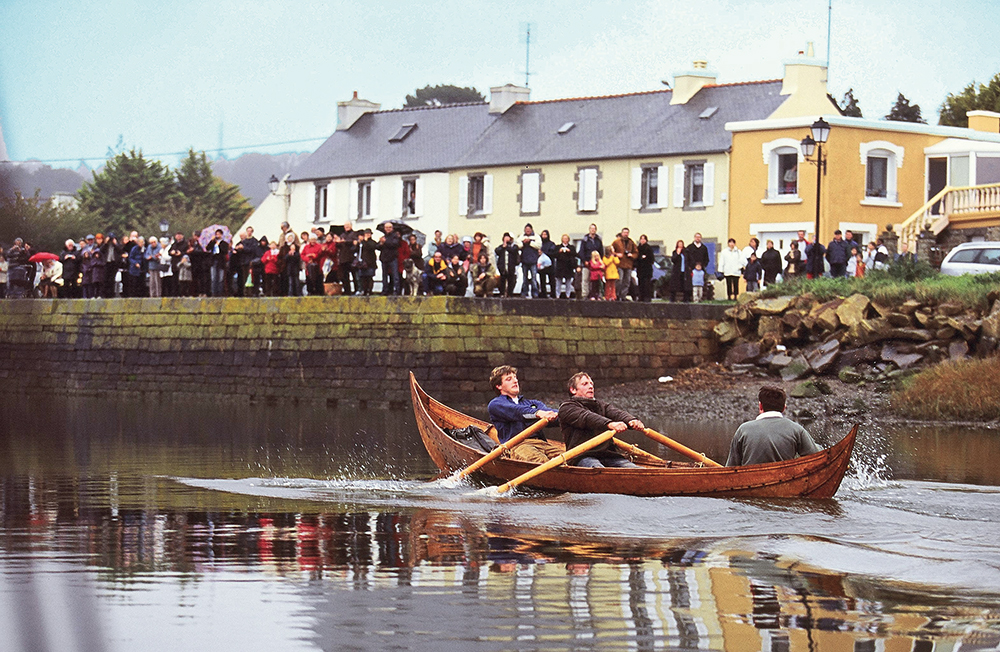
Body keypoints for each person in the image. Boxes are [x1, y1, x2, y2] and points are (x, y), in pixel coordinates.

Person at [558, 372, 642, 468]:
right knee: (598, 469)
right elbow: (587, 417)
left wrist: (631, 420)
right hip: (582, 456)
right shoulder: (567, 407)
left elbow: (616, 413)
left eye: (591, 384)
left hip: (609, 455)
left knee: (635, 469)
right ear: (573, 390)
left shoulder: (601, 405)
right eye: (585, 384)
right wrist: (609, 424)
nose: (590, 387)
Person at [726, 385, 821, 466]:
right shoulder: (796, 429)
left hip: (751, 484)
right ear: (783, 408)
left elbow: (731, 467)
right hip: (785, 482)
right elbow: (816, 456)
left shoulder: (743, 429)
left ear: (760, 406)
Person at [487, 366, 562, 463]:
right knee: (541, 461)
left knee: (571, 460)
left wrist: (567, 415)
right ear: (499, 386)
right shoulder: (496, 405)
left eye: (515, 377)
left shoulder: (533, 404)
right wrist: (537, 413)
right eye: (509, 379)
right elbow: (517, 411)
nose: (515, 381)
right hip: (517, 446)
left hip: (542, 444)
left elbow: (549, 412)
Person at [577, 224, 603, 300]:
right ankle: (585, 295)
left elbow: (601, 252)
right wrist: (584, 260)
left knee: (596, 281)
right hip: (587, 262)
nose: (593, 230)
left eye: (594, 229)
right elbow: (581, 251)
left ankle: (596, 295)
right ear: (589, 229)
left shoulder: (598, 240)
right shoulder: (585, 240)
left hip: (596, 264)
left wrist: (600, 262)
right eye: (591, 228)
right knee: (585, 279)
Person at [612, 228, 638, 301]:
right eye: (624, 232)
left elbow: (636, 253)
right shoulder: (616, 242)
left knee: (627, 281)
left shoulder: (631, 242)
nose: (626, 234)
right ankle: (616, 295)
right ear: (622, 233)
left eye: (627, 232)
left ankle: (623, 296)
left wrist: (631, 255)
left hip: (628, 264)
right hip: (619, 264)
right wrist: (617, 254)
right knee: (619, 280)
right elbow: (610, 251)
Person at [377, 222, 402, 295]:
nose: (388, 229)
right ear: (384, 228)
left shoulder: (395, 236)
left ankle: (396, 290)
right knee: (384, 276)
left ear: (392, 228)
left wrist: (385, 242)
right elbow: (377, 247)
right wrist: (381, 243)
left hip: (392, 258)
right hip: (384, 258)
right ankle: (385, 290)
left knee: (395, 276)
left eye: (389, 227)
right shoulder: (383, 237)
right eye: (386, 227)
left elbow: (395, 244)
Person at [685, 233, 710, 301]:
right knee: (692, 285)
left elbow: (706, 259)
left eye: (699, 237)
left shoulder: (704, 248)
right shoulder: (689, 247)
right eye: (696, 237)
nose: (698, 238)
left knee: (701, 286)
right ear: (694, 238)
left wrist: (703, 266)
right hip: (692, 269)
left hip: (701, 270)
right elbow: (687, 258)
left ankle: (701, 298)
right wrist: (690, 266)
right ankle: (691, 298)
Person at [495, 233, 519, 298]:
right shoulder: (501, 247)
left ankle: (510, 294)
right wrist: (503, 246)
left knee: (511, 280)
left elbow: (514, 251)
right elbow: (497, 251)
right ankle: (502, 293)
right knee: (502, 280)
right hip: (503, 267)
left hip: (511, 267)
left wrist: (507, 246)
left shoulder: (514, 246)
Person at [519, 224, 540, 298]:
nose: (527, 230)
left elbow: (539, 245)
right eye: (526, 229)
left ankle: (535, 293)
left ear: (531, 229)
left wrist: (530, 242)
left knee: (534, 278)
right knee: (524, 278)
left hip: (533, 260)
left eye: (529, 229)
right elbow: (518, 245)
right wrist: (523, 242)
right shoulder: (521, 236)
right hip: (524, 260)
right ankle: (524, 292)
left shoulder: (536, 236)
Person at [554, 234, 577, 299]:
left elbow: (575, 254)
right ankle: (557, 295)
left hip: (568, 267)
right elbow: (554, 255)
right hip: (560, 267)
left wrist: (569, 251)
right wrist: (559, 251)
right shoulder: (558, 247)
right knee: (559, 282)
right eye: (564, 238)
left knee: (568, 282)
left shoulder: (571, 247)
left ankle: (568, 295)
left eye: (566, 238)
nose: (565, 240)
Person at [635, 234, 655, 302]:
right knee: (641, 283)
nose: (642, 241)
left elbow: (651, 259)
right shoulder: (637, 248)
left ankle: (647, 297)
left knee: (647, 284)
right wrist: (641, 258)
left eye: (644, 239)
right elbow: (636, 258)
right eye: (641, 239)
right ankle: (641, 297)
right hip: (640, 269)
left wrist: (645, 258)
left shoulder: (648, 248)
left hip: (647, 269)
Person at [538, 230, 557, 298]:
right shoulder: (540, 244)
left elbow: (553, 252)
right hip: (542, 265)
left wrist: (544, 253)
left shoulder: (551, 244)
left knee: (552, 280)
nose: (544, 236)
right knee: (542, 279)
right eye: (543, 234)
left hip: (550, 265)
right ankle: (543, 293)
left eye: (545, 234)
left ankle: (553, 293)